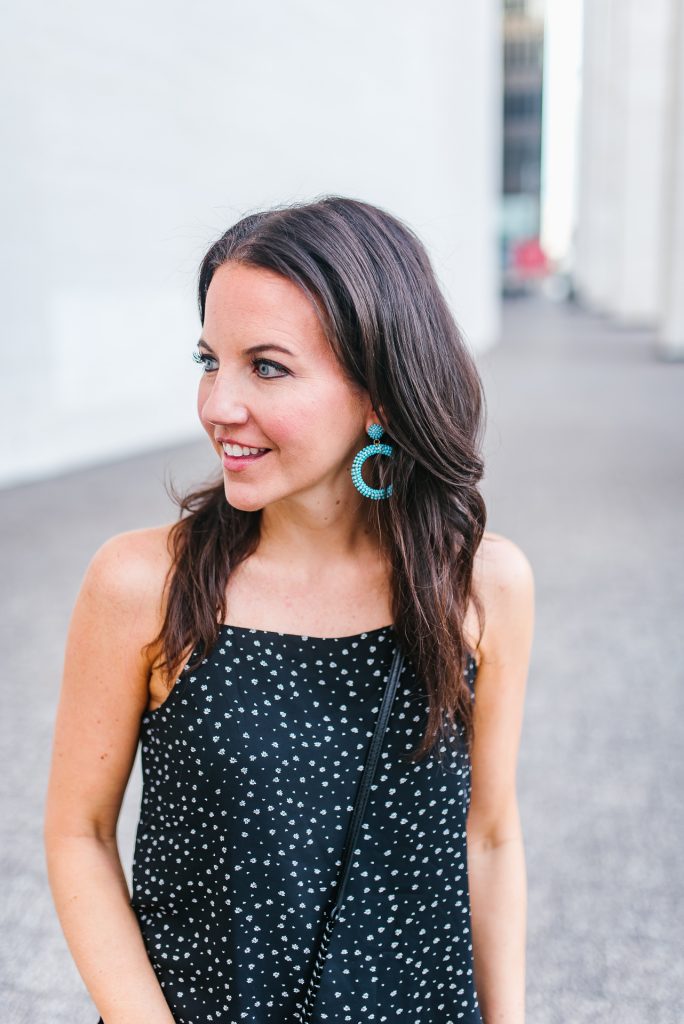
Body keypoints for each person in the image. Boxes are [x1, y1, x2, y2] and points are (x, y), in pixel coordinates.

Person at [44, 195, 534, 1024]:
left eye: (265, 367)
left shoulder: (482, 586)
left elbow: (487, 838)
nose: (216, 407)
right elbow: (78, 837)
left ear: (380, 395)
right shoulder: (141, 587)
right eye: (209, 361)